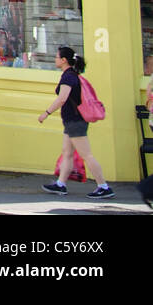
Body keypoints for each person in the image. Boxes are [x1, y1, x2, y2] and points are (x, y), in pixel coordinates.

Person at [38, 47, 114, 199]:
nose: (55, 59)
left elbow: (62, 99)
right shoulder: (72, 75)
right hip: (72, 121)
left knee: (87, 155)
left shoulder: (68, 77)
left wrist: (46, 113)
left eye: (57, 57)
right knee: (67, 153)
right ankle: (61, 184)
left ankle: (103, 186)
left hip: (75, 121)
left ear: (64, 60)